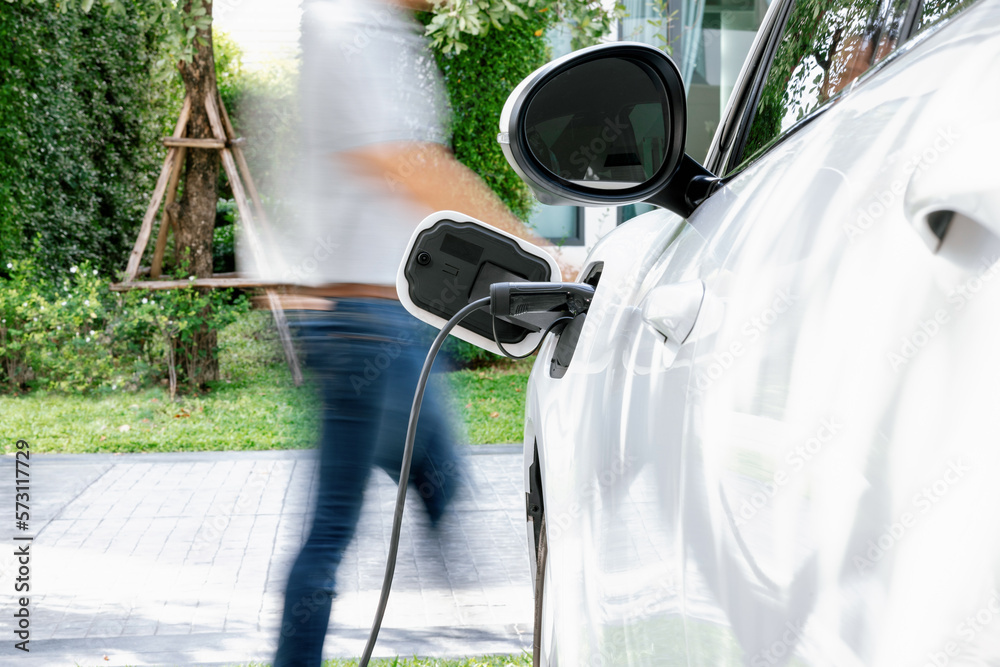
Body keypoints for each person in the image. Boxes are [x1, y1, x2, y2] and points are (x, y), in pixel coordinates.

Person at [250, 0, 566, 664]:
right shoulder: (355, 28)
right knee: (337, 526)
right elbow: (408, 162)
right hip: (365, 323)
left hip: (383, 318)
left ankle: (507, 633)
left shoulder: (373, 29)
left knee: (441, 480)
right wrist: (530, 248)